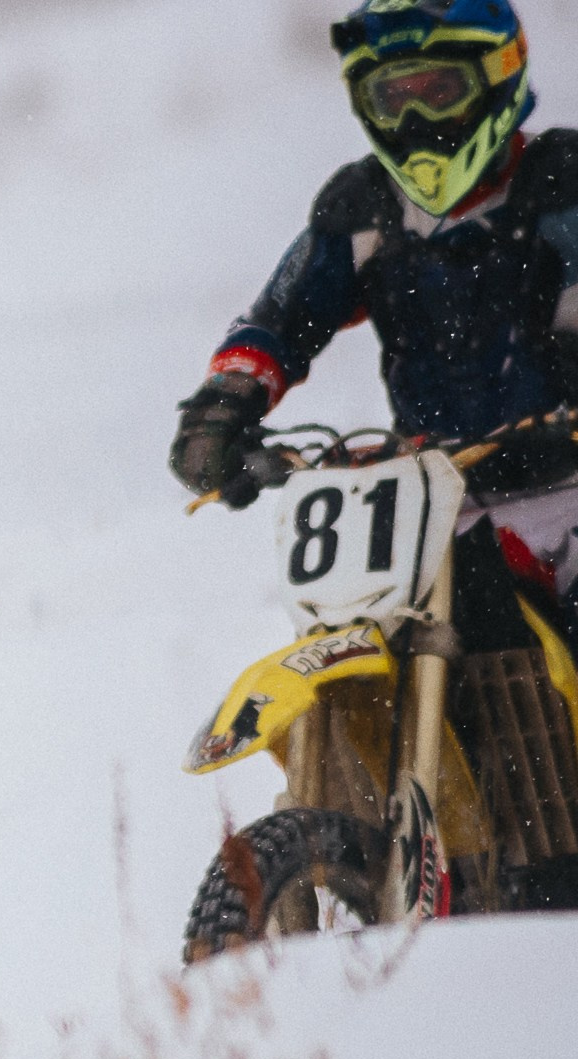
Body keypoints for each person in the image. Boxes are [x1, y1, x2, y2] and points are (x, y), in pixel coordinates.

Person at [170, 0, 578, 610]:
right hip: (425, 505)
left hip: (566, 487)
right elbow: (277, 321)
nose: (416, 119)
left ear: (497, 76)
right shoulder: (364, 209)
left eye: (439, 92)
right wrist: (225, 402)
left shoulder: (562, 187)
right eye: (394, 99)